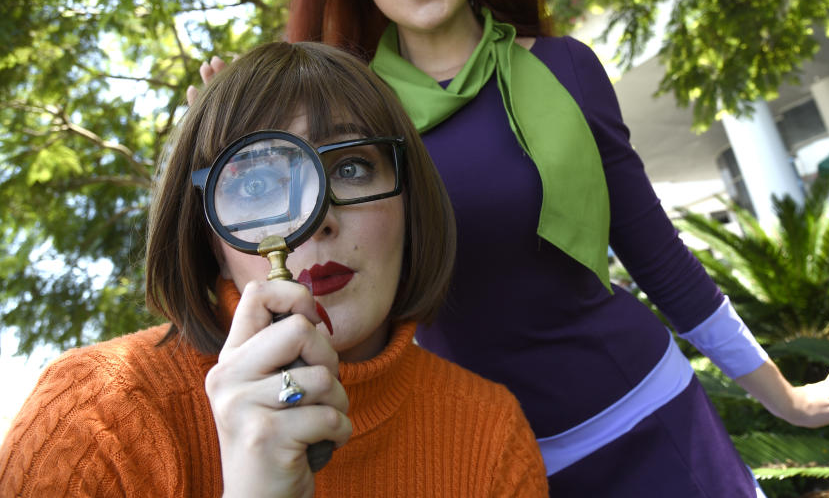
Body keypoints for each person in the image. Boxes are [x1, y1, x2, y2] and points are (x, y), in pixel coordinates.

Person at [194, 0, 829, 495]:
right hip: (487, 458)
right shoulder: (348, 126)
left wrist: (787, 399)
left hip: (650, 416)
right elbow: (288, 278)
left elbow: (659, 255)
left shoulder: (565, 69)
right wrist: (234, 153)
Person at [0, 41, 549, 498]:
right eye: (258, 184)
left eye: (352, 166)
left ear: (411, 202)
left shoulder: (489, 432)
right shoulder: (98, 416)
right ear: (211, 238)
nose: (314, 223)